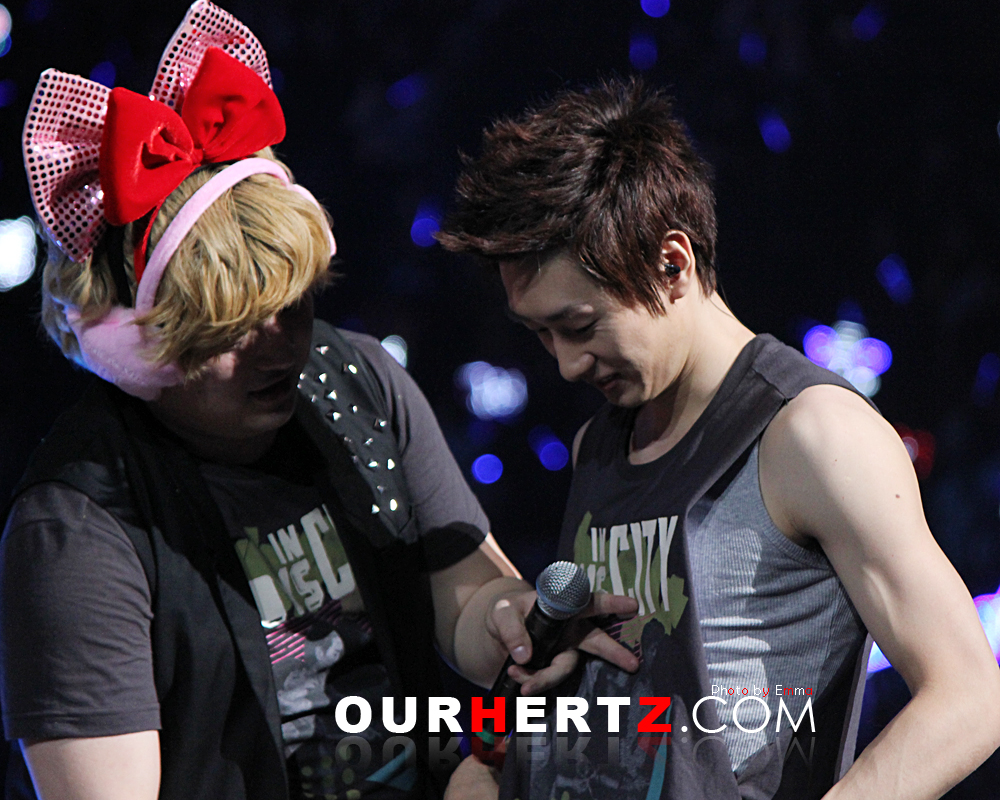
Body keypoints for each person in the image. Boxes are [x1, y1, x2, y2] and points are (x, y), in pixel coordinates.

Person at [0, 5, 638, 800]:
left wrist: (518, 620)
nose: (279, 348)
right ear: (145, 344)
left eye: (294, 306)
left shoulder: (357, 378)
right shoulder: (79, 524)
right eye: (234, 329)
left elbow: (469, 600)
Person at [436, 78, 1000, 799]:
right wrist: (497, 765)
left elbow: (967, 697)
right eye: (540, 334)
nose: (567, 363)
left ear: (672, 264)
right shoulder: (596, 444)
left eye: (578, 326)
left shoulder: (813, 434)